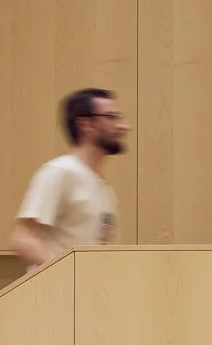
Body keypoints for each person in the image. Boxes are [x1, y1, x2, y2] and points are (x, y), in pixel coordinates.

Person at [10, 88, 130, 268]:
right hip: (59, 293)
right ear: (85, 124)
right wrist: (69, 275)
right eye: (111, 117)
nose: (123, 126)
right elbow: (25, 239)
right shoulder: (60, 172)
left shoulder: (103, 187)